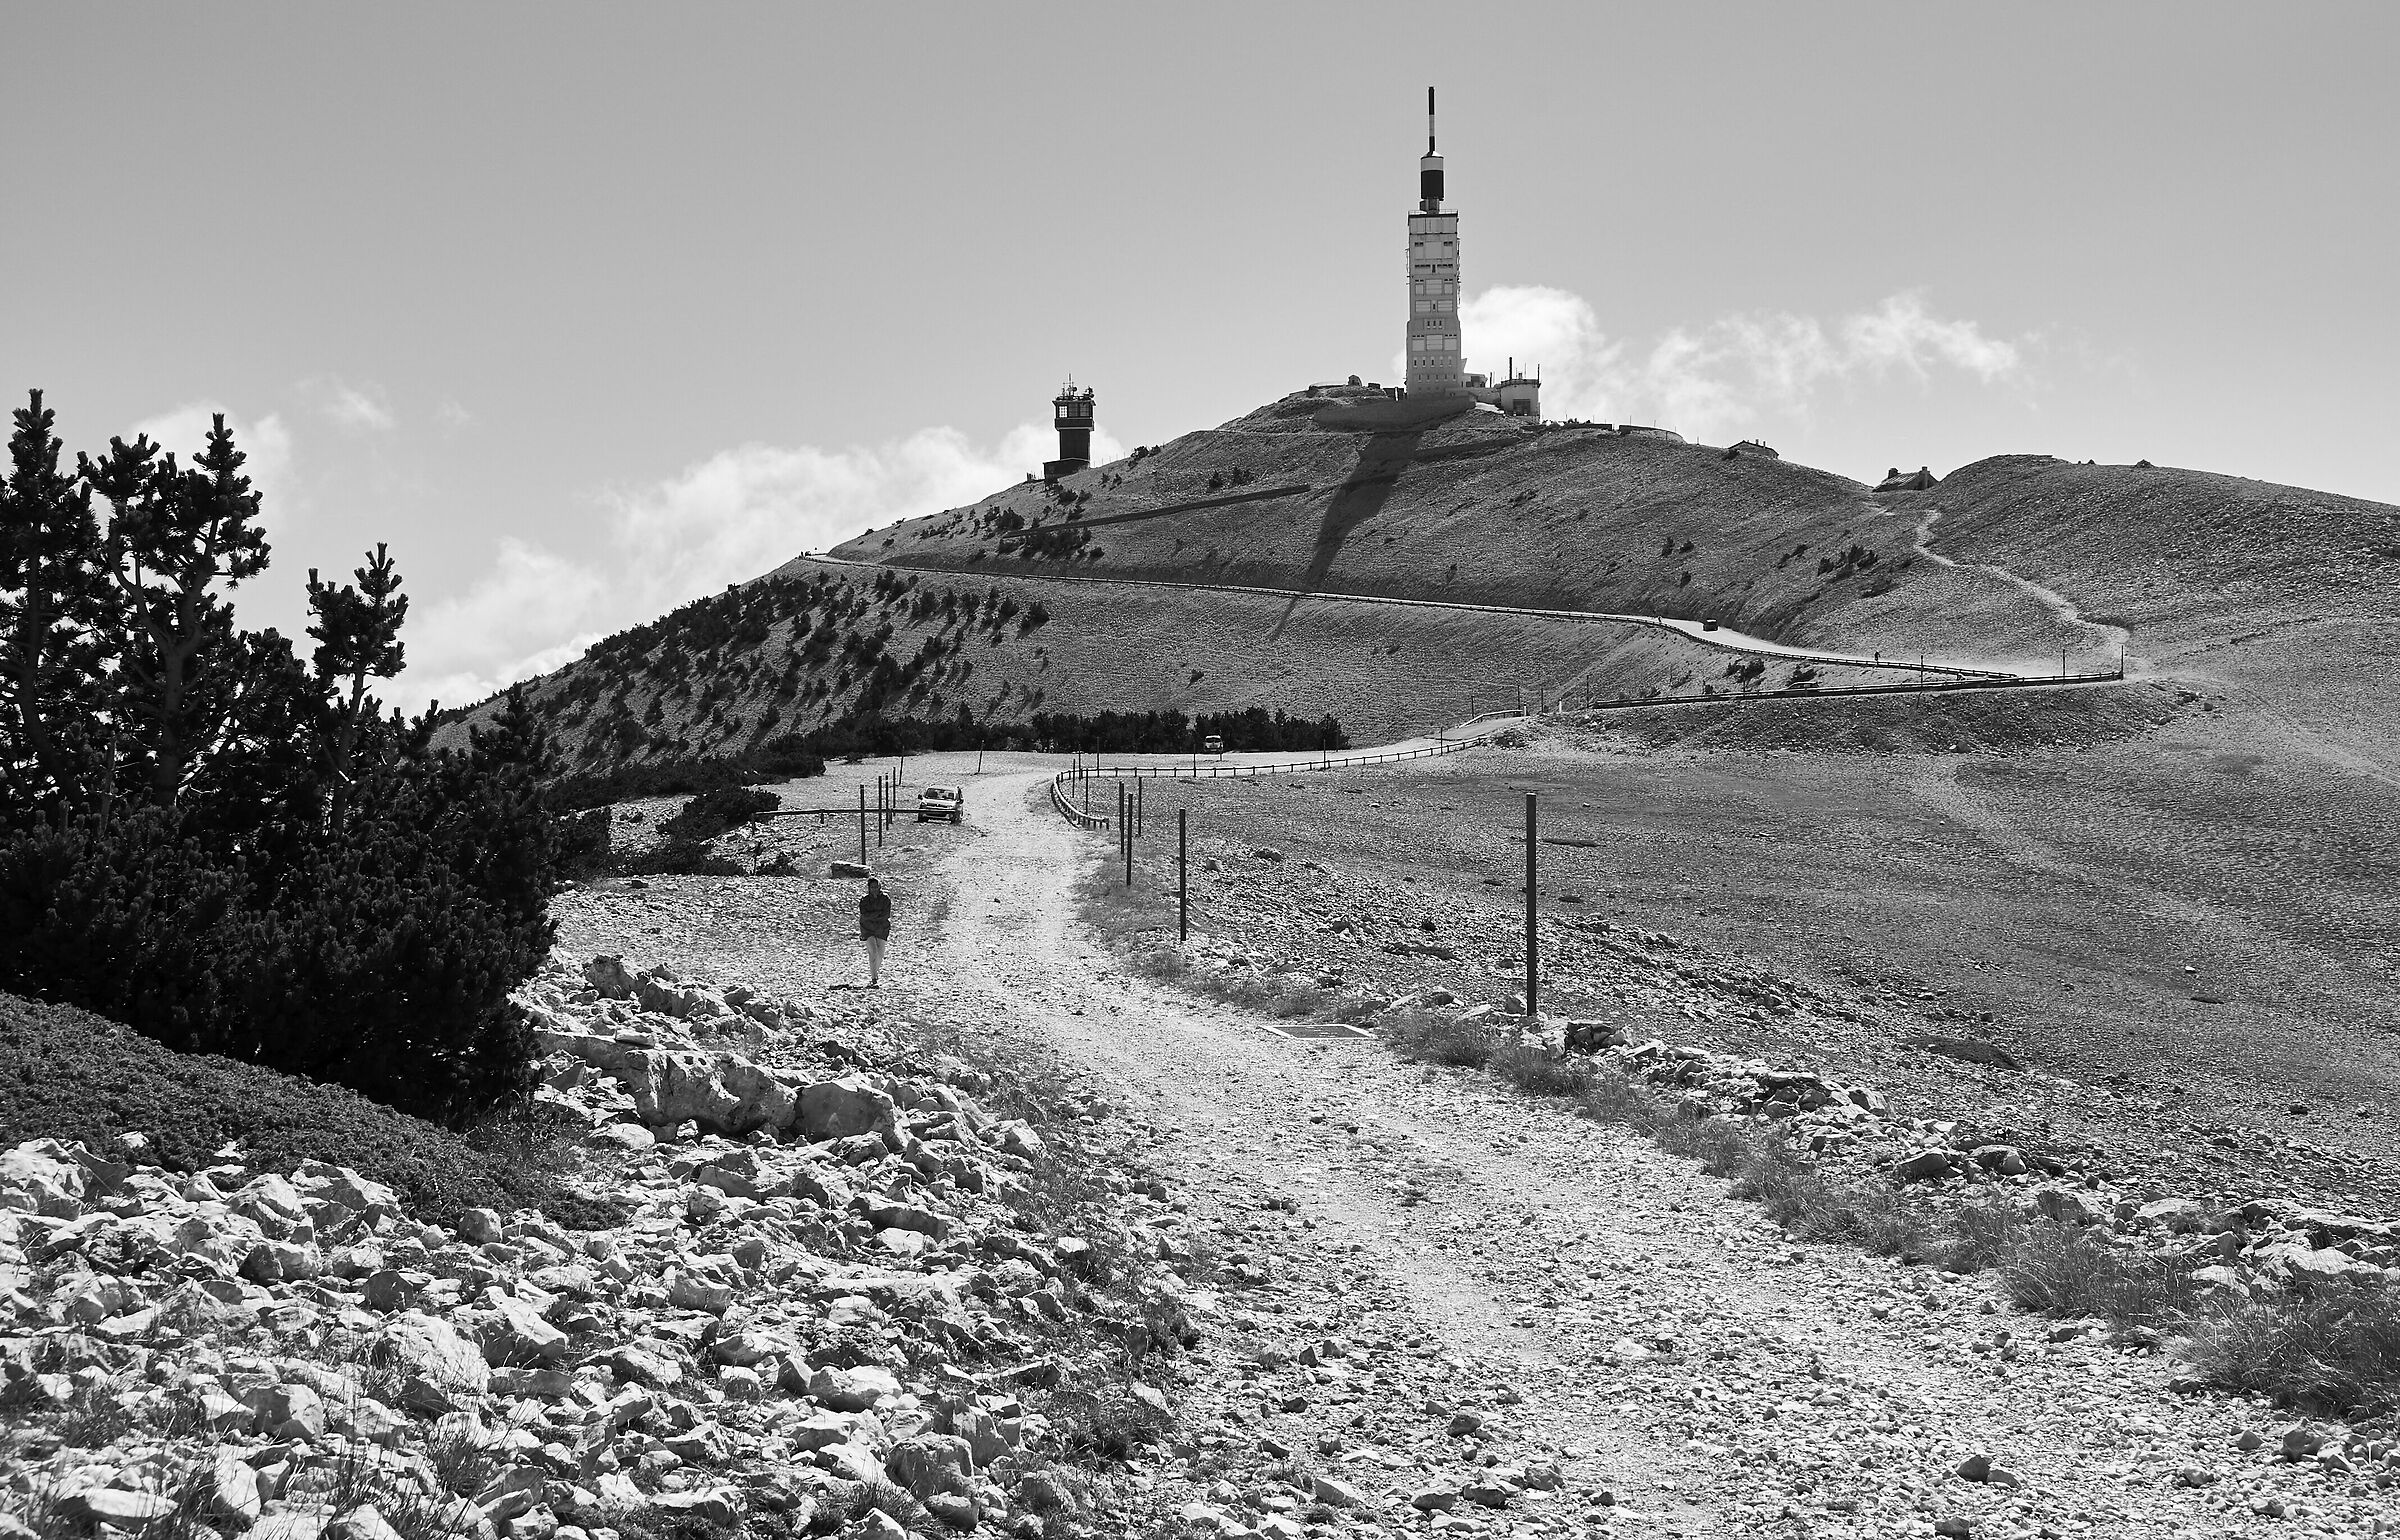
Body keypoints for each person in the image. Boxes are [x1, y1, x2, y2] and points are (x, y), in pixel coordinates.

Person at [858, 877, 892, 986]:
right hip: (867, 929)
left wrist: (873, 916)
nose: (874, 889)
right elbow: (864, 914)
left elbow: (886, 915)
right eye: (872, 887)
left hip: (882, 929)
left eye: (876, 887)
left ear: (880, 887)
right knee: (873, 951)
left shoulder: (885, 899)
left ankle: (875, 972)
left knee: (880, 954)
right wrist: (877, 915)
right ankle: (873, 978)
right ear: (869, 888)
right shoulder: (864, 900)